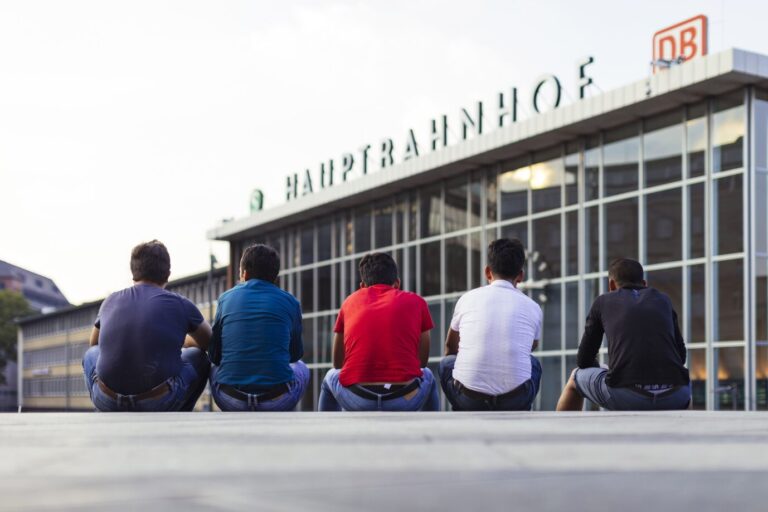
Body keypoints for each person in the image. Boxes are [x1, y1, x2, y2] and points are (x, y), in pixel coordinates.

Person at [82, 240, 212, 412]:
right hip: (159, 402)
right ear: (167, 274)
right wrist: (183, 342)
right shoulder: (180, 304)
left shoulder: (110, 301)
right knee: (198, 357)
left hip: (107, 399)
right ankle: (180, 413)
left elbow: (94, 343)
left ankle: (103, 410)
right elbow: (209, 342)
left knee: (91, 354)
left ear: (133, 271)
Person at [556, 258, 690, 411]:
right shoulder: (664, 300)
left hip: (627, 395)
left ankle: (562, 433)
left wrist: (603, 368)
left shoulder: (603, 301)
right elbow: (681, 357)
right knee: (682, 383)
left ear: (611, 285)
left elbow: (583, 360)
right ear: (644, 284)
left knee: (575, 377)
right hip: (675, 396)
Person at [318, 252, 439, 411]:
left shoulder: (349, 302)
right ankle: (432, 428)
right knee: (428, 374)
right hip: (404, 398)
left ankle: (326, 430)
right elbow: (422, 362)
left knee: (330, 376)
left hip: (358, 398)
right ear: (397, 283)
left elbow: (337, 363)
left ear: (362, 287)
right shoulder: (417, 302)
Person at [439, 238, 543, 411]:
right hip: (514, 399)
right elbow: (531, 346)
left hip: (468, 398)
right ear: (521, 275)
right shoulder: (533, 307)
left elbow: (450, 347)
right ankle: (521, 412)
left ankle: (461, 412)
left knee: (446, 363)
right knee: (533, 363)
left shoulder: (466, 299)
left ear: (488, 272)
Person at [208, 244, 308, 411]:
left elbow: (214, 355)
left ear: (244, 273)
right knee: (302, 368)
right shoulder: (291, 302)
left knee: (212, 368)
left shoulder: (225, 299)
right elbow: (295, 355)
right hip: (277, 400)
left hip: (230, 399)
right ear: (274, 277)